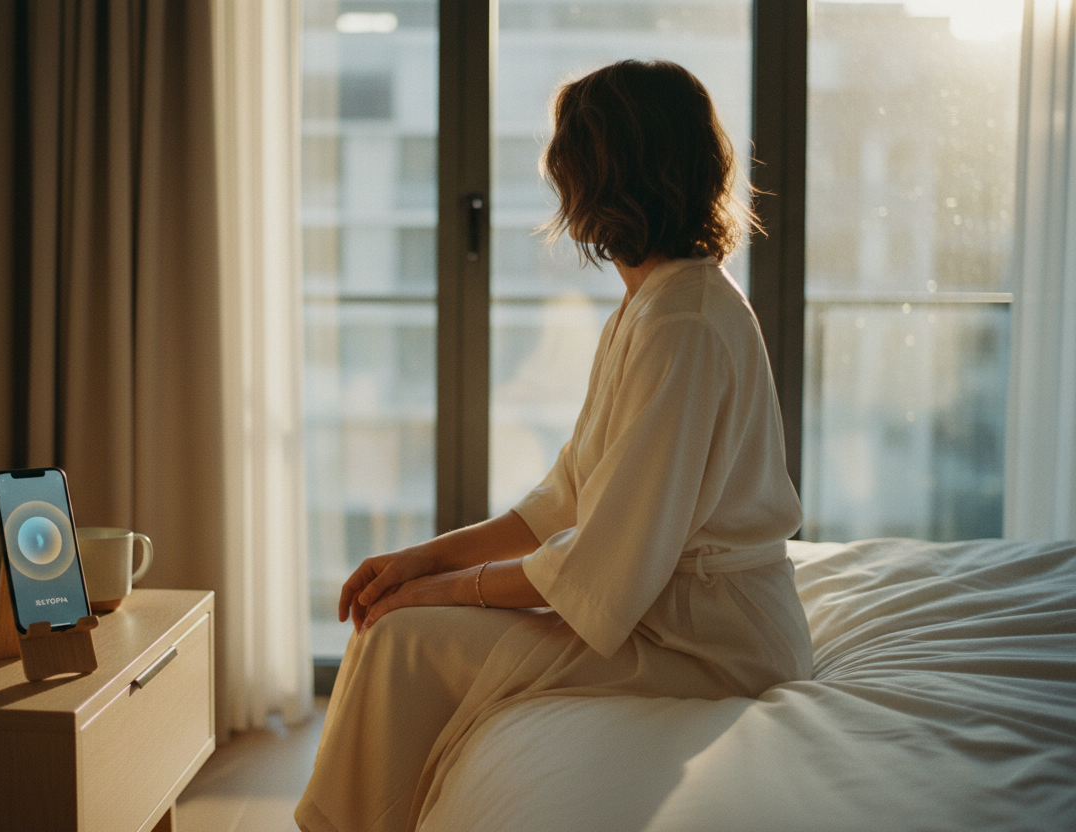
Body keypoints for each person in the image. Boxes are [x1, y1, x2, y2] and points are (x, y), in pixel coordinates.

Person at [294, 59, 811, 832]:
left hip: (714, 644)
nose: (560, 193)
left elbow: (602, 564)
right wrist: (425, 559)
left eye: (565, 169)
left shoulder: (682, 326)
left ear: (603, 180)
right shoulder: (655, 304)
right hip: (674, 615)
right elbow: (567, 495)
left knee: (401, 639)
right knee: (395, 626)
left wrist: (431, 593)